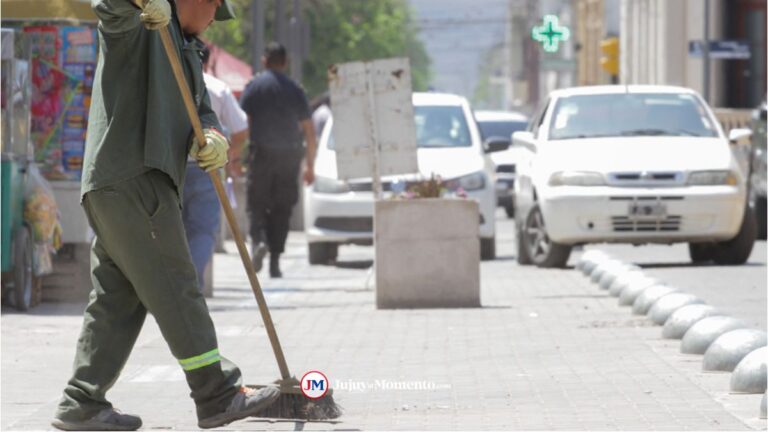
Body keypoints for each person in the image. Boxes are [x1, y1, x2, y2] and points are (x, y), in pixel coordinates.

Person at [51, 0, 279, 430]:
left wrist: (213, 137)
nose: (215, 18)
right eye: (214, 7)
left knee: (118, 300)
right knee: (176, 283)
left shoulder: (188, 50)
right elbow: (109, 6)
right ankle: (216, 391)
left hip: (122, 183)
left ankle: (81, 401)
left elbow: (203, 112)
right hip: (133, 175)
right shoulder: (140, 25)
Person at [240, 42, 317, 278]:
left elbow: (243, 124)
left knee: (256, 205)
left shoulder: (254, 87)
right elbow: (308, 130)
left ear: (264, 61)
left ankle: (259, 242)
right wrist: (310, 166)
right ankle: (274, 261)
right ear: (285, 63)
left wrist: (237, 157)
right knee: (282, 208)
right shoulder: (296, 89)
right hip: (289, 157)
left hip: (261, 155)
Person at [182, 45, 248, 295]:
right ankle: (190, 284)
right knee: (202, 231)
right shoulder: (218, 88)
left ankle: (175, 287)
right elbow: (241, 128)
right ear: (207, 62)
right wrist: (232, 155)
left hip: (172, 169)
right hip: (206, 170)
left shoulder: (170, 84)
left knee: (172, 231)